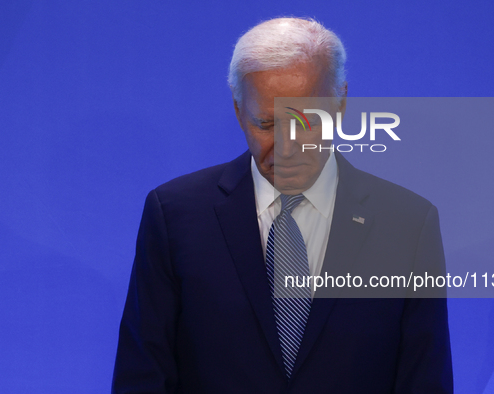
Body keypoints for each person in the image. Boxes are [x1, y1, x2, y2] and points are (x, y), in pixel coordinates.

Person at [112, 17, 453, 393]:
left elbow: (425, 380)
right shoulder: (174, 215)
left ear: (340, 103)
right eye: (266, 124)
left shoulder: (407, 224)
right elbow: (143, 375)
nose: (288, 148)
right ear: (238, 109)